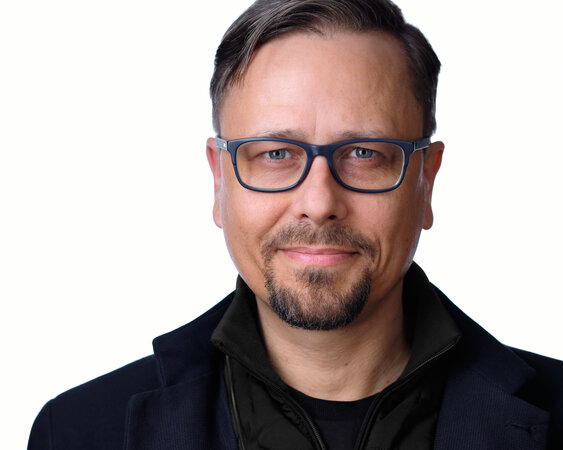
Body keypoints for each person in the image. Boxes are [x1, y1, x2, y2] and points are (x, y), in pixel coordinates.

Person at [28, 0, 563, 449]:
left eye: (364, 153)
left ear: (426, 179)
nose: (318, 201)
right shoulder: (76, 433)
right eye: (276, 153)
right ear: (219, 181)